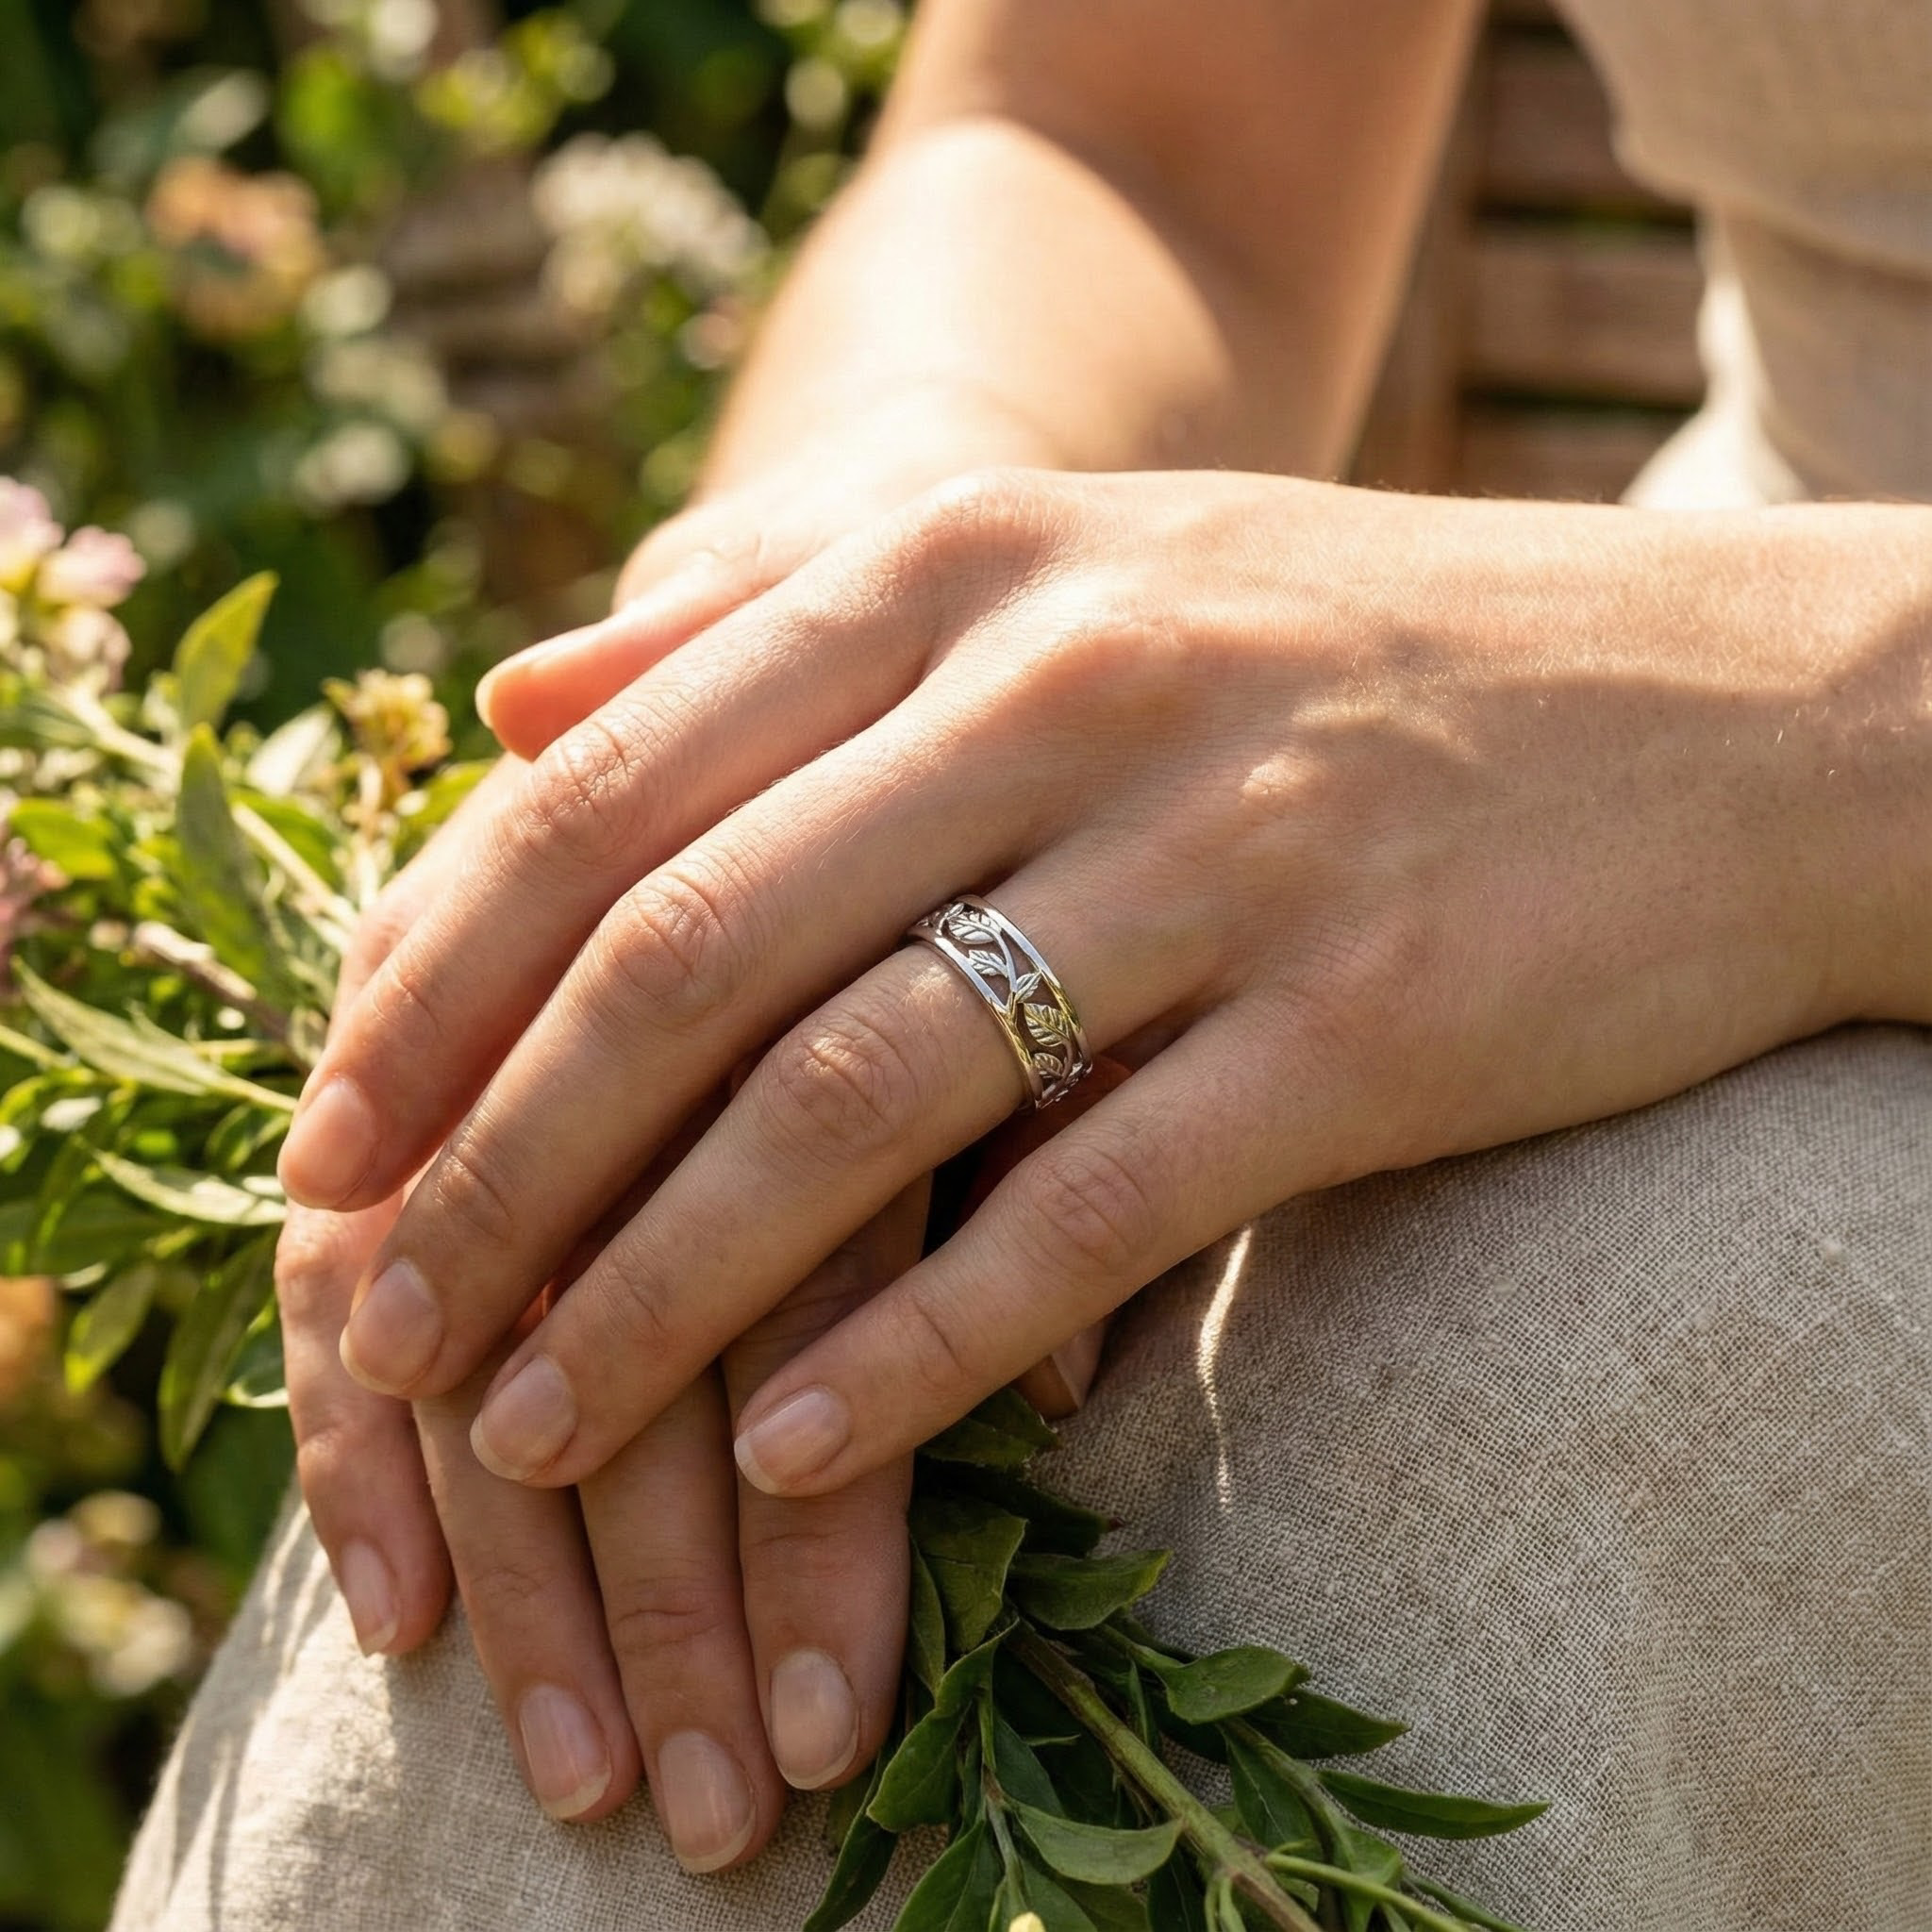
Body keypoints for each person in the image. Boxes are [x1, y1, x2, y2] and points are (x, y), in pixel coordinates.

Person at [112, 2, 1932, 1928]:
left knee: (1506, 1449)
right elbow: (1118, 138)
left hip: (1667, 763)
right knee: (634, 1374)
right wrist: (869, 606)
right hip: (1535, 776)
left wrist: (1811, 725)